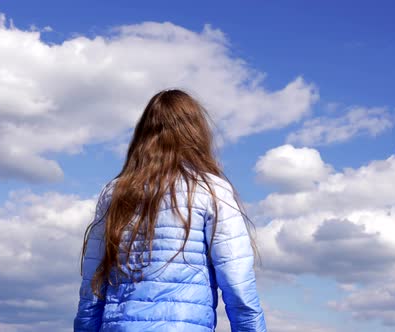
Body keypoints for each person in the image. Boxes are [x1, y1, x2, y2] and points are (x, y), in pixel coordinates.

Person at [73, 88, 267, 332]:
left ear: (143, 134)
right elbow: (238, 286)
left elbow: (92, 287)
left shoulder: (115, 193)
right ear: (196, 133)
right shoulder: (212, 190)